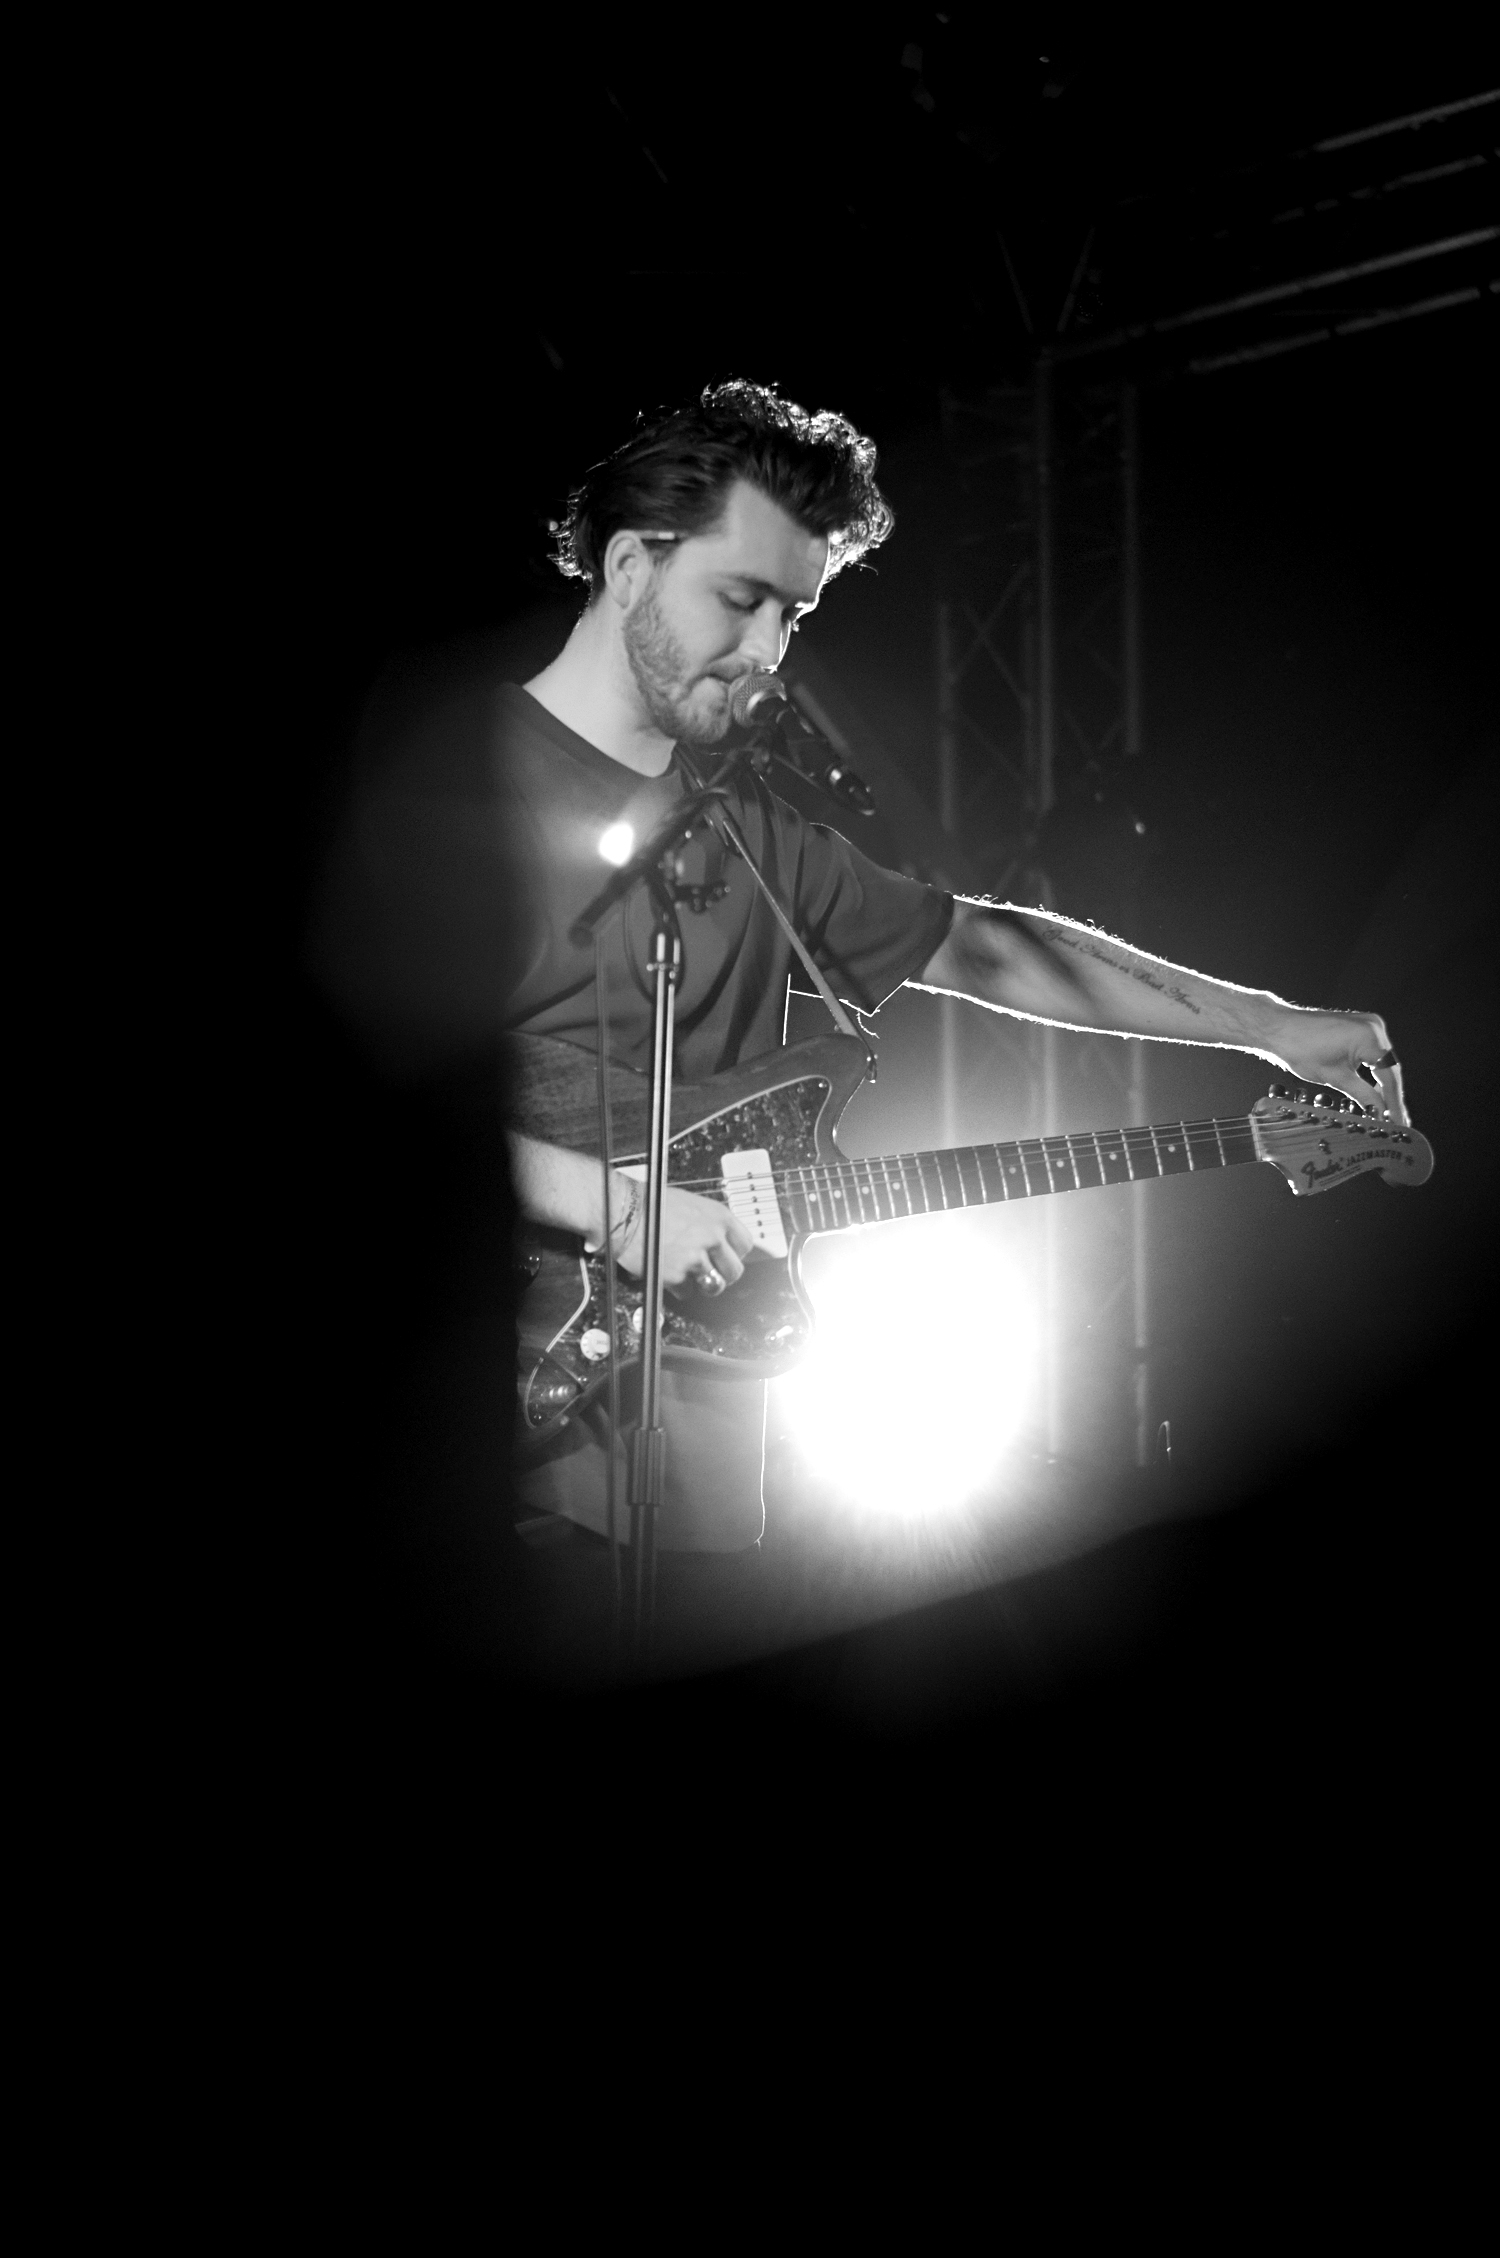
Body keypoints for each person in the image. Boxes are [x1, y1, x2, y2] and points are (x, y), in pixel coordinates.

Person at [316, 380, 1405, 1656]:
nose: (768, 650)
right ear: (627, 565)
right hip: (479, 1443)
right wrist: (614, 1204)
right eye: (740, 598)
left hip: (704, 1475)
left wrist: (1273, 1024)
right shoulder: (450, 776)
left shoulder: (756, 836)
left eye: (794, 614)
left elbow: (988, 945)